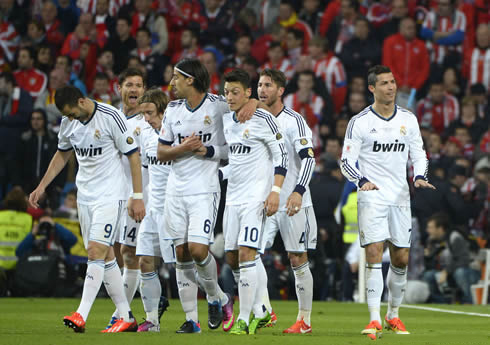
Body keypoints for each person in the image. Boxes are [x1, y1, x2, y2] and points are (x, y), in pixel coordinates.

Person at [28, 85, 145, 333]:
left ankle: (81, 314)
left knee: (94, 250)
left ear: (82, 101)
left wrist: (137, 196)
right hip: (85, 197)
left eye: (72, 113)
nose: (70, 118)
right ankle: (126, 316)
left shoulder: (111, 116)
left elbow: (133, 155)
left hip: (110, 195)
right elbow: (62, 155)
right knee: (106, 256)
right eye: (67, 115)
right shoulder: (68, 122)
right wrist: (42, 186)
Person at [157, 58, 255, 333]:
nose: (171, 83)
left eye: (176, 77)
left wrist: (254, 103)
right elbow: (161, 152)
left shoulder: (219, 105)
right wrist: (185, 148)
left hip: (205, 189)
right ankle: (201, 311)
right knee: (181, 255)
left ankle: (214, 298)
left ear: (190, 79)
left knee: (199, 250)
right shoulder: (173, 110)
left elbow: (232, 148)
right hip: (175, 190)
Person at [340, 65, 434, 338]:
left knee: (401, 258)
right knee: (372, 253)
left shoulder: (408, 119)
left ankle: (393, 315)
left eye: (392, 82)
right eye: (384, 83)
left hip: (400, 197)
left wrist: (418, 176)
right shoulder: (360, 122)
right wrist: (361, 182)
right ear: (372, 88)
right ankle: (373, 319)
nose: (391, 87)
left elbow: (419, 153)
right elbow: (346, 161)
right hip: (371, 196)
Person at [220, 69, 288, 335]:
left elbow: (282, 157)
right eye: (226, 92)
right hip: (232, 198)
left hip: (256, 198)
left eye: (236, 92)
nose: (229, 97)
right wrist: (218, 174)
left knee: (248, 254)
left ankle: (244, 319)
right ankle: (262, 309)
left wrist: (275, 192)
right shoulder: (227, 120)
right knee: (232, 258)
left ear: (248, 92)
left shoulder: (265, 119)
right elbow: (235, 161)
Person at [258, 69, 317, 334]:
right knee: (251, 253)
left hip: (293, 200)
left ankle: (304, 320)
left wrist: (299, 190)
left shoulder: (294, 121)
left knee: (297, 258)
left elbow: (309, 158)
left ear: (281, 90)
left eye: (268, 85)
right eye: (259, 85)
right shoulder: (254, 119)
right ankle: (265, 311)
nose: (262, 90)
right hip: (262, 200)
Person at [105, 68, 151, 329]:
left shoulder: (148, 122)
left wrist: (139, 196)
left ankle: (124, 313)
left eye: (139, 85)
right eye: (129, 85)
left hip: (141, 196)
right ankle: (138, 308)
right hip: (118, 196)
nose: (134, 89)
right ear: (118, 88)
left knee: (130, 253)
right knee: (125, 254)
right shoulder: (112, 119)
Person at [134, 88, 175, 332]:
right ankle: (152, 320)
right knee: (145, 261)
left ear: (162, 109)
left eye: (149, 112)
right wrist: (137, 197)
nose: (146, 118)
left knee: (183, 266)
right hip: (152, 208)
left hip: (175, 208)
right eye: (143, 113)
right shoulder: (145, 135)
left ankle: (215, 300)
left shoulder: (177, 132)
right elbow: (144, 171)